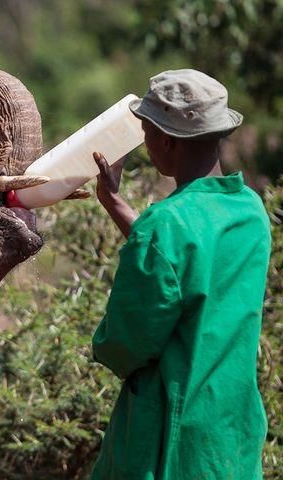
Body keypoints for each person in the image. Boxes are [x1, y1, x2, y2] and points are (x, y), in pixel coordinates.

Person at [89, 69, 271, 479]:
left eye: (146, 132)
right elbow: (189, 259)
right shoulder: (250, 212)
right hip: (230, 435)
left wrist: (101, 345)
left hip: (169, 443)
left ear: (166, 140)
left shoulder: (165, 226)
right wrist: (115, 203)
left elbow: (124, 344)